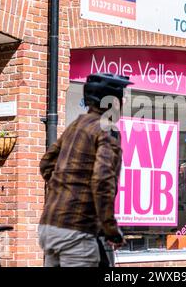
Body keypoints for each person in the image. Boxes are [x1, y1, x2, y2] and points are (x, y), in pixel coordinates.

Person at [38, 73, 133, 267]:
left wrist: (68, 187)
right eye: (120, 99)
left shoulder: (75, 126)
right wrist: (111, 230)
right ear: (113, 103)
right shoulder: (106, 131)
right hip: (77, 231)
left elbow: (46, 164)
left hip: (50, 227)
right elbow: (102, 182)